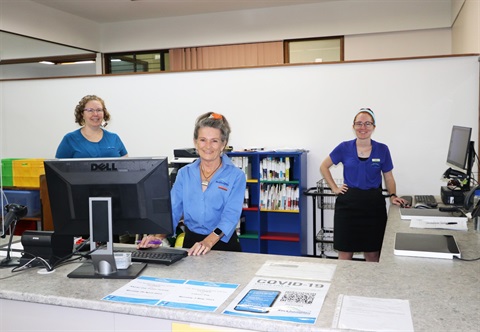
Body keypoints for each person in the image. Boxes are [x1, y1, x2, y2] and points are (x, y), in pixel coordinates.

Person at [138, 112, 246, 256]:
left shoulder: (236, 176)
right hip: (191, 244)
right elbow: (173, 210)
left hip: (223, 245)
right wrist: (157, 237)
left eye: (214, 141)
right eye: (202, 140)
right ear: (195, 142)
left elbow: (230, 216)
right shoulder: (184, 173)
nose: (208, 146)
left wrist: (208, 242)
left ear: (223, 144)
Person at [319, 108, 407, 262]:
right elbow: (324, 166)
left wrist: (393, 195)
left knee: (373, 253)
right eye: (359, 123)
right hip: (347, 206)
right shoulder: (344, 147)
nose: (363, 127)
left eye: (367, 124)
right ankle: (343, 285)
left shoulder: (382, 149)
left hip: (373, 206)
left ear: (374, 127)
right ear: (353, 126)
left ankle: (372, 286)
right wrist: (334, 188)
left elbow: (389, 177)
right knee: (345, 253)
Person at [55, 95, 128, 158]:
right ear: (82, 114)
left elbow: (127, 167)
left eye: (99, 110)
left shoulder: (114, 138)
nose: (95, 114)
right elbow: (57, 169)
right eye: (90, 110)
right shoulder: (70, 139)